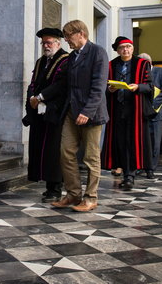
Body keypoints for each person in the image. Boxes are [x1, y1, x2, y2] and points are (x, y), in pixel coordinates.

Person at [42, 20, 109, 212]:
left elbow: (98, 87)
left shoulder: (98, 52)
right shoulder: (72, 57)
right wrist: (42, 97)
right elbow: (65, 84)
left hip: (91, 114)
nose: (67, 41)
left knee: (91, 157)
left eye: (68, 36)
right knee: (66, 152)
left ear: (81, 33)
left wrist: (87, 112)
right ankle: (72, 194)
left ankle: (91, 197)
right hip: (71, 112)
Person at [101, 37, 153, 190]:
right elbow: (103, 86)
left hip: (135, 110)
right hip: (116, 110)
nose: (125, 50)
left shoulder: (142, 64)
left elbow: (150, 86)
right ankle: (125, 172)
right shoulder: (111, 65)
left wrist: (138, 86)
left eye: (128, 47)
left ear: (132, 48)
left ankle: (130, 175)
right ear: (118, 50)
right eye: (122, 47)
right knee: (120, 143)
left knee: (133, 142)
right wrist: (109, 90)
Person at [22, 28, 67, 203]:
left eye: (49, 43)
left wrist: (42, 98)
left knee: (53, 151)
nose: (45, 46)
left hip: (55, 111)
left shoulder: (65, 60)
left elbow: (61, 85)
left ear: (58, 43)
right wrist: (32, 98)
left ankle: (55, 188)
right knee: (40, 147)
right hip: (39, 112)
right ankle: (47, 185)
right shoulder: (41, 61)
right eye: (43, 43)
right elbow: (33, 82)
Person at [139, 53, 162, 178]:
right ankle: (141, 166)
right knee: (143, 141)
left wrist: (152, 105)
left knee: (155, 142)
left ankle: (151, 168)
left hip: (158, 112)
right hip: (143, 113)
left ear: (147, 63)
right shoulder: (140, 75)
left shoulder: (161, 71)